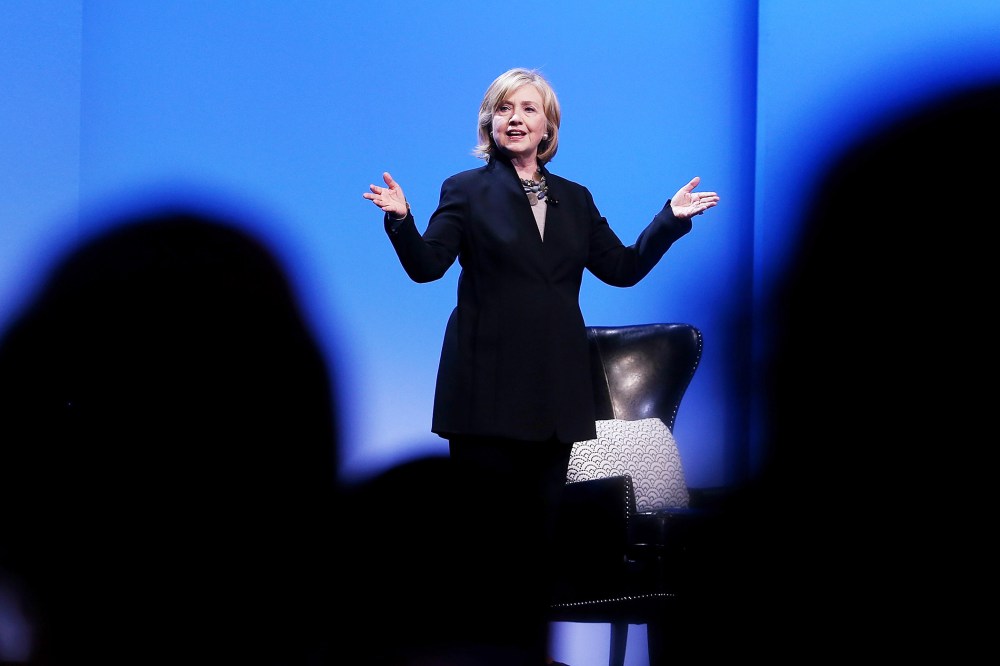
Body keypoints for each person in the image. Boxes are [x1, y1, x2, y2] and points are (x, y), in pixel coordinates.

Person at [362, 67, 719, 666]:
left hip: (555, 395)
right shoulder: (465, 190)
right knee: (484, 554)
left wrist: (671, 219)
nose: (515, 117)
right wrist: (400, 221)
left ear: (548, 125)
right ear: (490, 123)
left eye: (528, 108)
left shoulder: (576, 199)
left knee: (539, 553)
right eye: (504, 109)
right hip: (486, 395)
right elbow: (427, 266)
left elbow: (623, 267)